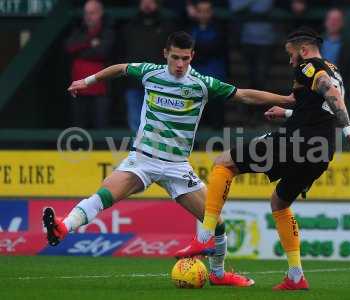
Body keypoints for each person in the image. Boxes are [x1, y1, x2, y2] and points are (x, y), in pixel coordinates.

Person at [43, 31, 294, 287]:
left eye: (185, 59)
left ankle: (218, 275)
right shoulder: (150, 72)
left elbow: (244, 95)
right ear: (166, 54)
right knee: (104, 196)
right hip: (143, 159)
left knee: (217, 224)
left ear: (192, 56)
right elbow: (120, 68)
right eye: (175, 58)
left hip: (177, 166)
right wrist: (86, 81)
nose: (179, 64)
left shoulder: (202, 84)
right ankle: (62, 228)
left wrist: (285, 100)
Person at [176, 27, 350, 291]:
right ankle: (296, 276)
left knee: (223, 162)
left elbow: (329, 95)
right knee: (279, 202)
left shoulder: (309, 67)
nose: (290, 61)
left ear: (302, 51)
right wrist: (288, 114)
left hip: (297, 143)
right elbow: (318, 112)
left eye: (291, 55)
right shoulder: (334, 69)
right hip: (321, 151)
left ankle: (206, 236)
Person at [122, 0, 175, 133]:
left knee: (158, 124)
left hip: (159, 84)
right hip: (134, 83)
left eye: (151, 1)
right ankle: (137, 152)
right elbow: (122, 54)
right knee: (135, 124)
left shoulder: (167, 27)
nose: (147, 4)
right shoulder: (130, 26)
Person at [65, 0, 114, 129]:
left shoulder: (109, 31)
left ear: (100, 13)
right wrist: (90, 42)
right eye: (86, 13)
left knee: (101, 126)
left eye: (92, 13)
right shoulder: (78, 30)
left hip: (100, 88)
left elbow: (103, 52)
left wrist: (81, 50)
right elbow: (69, 47)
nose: (88, 16)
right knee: (79, 127)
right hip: (79, 89)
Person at [189, 0, 228, 129]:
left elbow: (216, 48)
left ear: (211, 12)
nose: (203, 15)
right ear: (195, 12)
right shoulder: (189, 28)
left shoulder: (220, 29)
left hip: (215, 82)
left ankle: (217, 148)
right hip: (194, 84)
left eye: (206, 11)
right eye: (200, 11)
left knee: (216, 120)